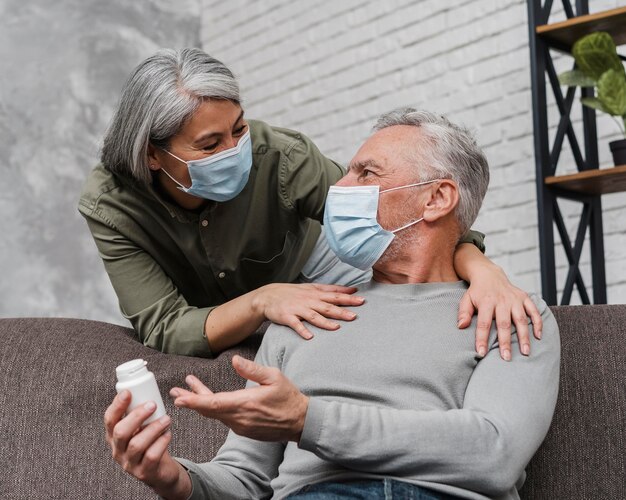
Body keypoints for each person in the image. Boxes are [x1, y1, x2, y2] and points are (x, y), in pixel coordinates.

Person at [104, 109, 560, 499]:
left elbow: (493, 451)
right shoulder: (303, 314)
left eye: (366, 173)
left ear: (437, 198)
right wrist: (173, 479)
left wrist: (308, 420)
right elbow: (244, 478)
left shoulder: (510, 312)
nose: (339, 187)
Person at [79, 48, 541, 359]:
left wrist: (487, 273)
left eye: (238, 129)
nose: (234, 150)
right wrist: (262, 301)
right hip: (228, 308)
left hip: (318, 263)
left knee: (422, 286)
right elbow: (165, 328)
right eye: (209, 144)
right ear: (152, 154)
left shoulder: (280, 155)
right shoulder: (111, 206)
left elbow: (408, 223)